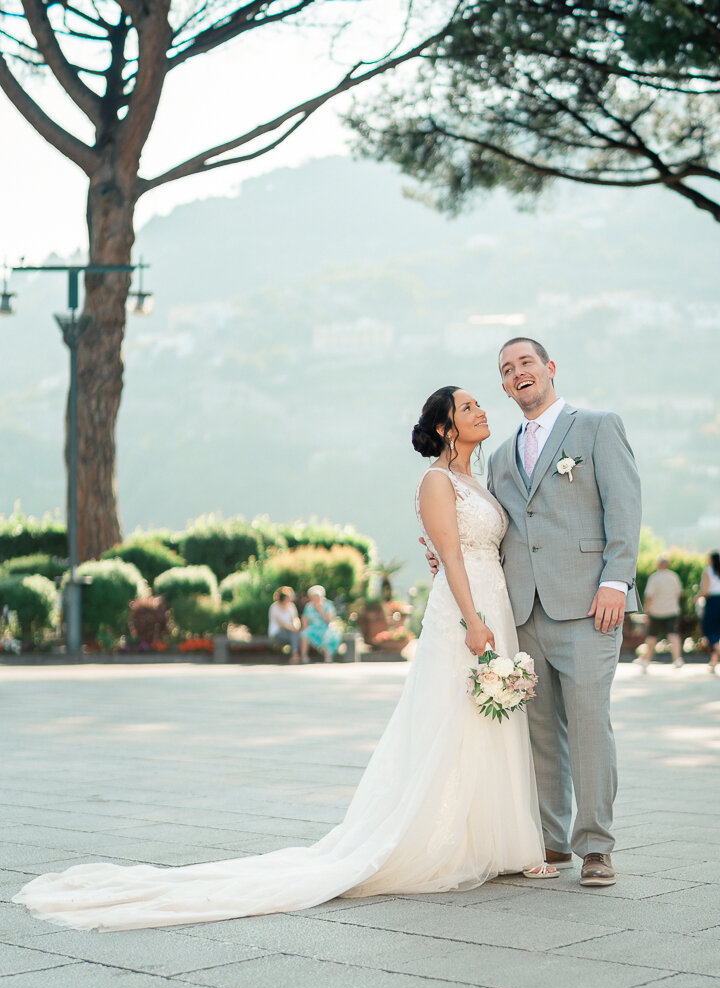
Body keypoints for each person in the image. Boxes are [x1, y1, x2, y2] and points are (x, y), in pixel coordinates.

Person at [12, 386, 554, 933]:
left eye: (479, 404)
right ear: (444, 427)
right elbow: (451, 554)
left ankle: (502, 841)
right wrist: (473, 620)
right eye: (468, 408)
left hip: (493, 600)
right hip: (465, 611)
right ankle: (452, 843)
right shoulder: (436, 481)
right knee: (453, 718)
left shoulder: (476, 480)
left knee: (491, 716)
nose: (481, 411)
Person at [486, 339, 642, 887]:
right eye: (507, 370)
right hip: (523, 609)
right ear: (505, 386)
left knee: (590, 725)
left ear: (549, 369)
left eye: (526, 363)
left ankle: (596, 846)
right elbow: (498, 527)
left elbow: (624, 505)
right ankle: (552, 840)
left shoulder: (597, 426)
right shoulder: (500, 456)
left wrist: (616, 581)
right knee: (540, 733)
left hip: (589, 606)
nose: (518, 373)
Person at [640, 555, 684, 669]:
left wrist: (647, 612)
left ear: (658, 565)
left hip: (656, 611)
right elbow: (679, 594)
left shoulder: (654, 578)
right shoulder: (674, 577)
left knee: (651, 637)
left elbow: (649, 597)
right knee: (673, 635)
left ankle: (646, 660)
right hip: (672, 611)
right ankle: (677, 660)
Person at [301, 585, 341, 663]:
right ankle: (304, 657)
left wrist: (321, 610)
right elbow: (305, 619)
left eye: (317, 597)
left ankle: (328, 657)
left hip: (325, 627)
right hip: (313, 628)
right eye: (313, 597)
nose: (315, 599)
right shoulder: (309, 606)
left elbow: (329, 621)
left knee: (327, 635)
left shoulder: (328, 605)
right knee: (304, 634)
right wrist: (305, 628)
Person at [268, 586, 302, 663]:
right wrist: (293, 629)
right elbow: (281, 624)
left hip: (290, 631)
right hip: (277, 632)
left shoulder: (291, 606)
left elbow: (295, 619)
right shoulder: (274, 607)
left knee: (295, 634)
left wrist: (296, 626)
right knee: (294, 635)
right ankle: (295, 655)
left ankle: (295, 655)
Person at [699, 551, 720, 674]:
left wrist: (697, 597)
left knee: (708, 630)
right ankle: (713, 662)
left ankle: (717, 651)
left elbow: (705, 590)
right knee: (717, 631)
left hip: (713, 602)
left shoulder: (708, 571)